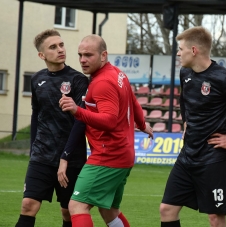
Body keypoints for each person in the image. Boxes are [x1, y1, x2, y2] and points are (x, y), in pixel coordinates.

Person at [159, 26, 226, 227]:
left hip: (214, 158)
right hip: (187, 156)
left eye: (181, 49)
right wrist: (186, 123)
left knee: (215, 218)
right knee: (167, 209)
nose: (178, 53)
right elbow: (184, 101)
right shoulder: (185, 72)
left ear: (194, 50)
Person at [59, 34, 153, 227]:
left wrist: (78, 111)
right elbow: (134, 102)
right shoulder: (118, 74)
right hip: (123, 154)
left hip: (107, 155)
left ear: (104, 55)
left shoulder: (102, 82)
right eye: (80, 55)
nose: (83, 60)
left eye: (88, 55)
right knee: (109, 210)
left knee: (76, 206)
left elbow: (109, 121)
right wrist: (142, 124)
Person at [15, 29, 88, 227]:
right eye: (53, 47)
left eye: (61, 45)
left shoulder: (78, 80)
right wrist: (33, 150)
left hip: (71, 158)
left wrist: (65, 155)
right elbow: (36, 115)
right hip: (41, 156)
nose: (60, 50)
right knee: (28, 205)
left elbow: (81, 121)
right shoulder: (37, 79)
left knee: (68, 211)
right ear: (42, 55)